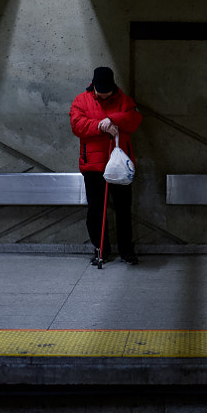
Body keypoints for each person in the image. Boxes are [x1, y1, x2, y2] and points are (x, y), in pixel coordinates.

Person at [69, 66, 143, 265]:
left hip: (119, 166)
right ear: (93, 85)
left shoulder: (124, 100)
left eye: (107, 91)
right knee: (96, 209)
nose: (103, 95)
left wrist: (112, 119)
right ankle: (101, 249)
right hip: (93, 165)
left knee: (123, 208)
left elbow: (134, 119)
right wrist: (100, 126)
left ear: (113, 86)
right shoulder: (80, 101)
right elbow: (77, 125)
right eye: (100, 91)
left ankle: (126, 250)